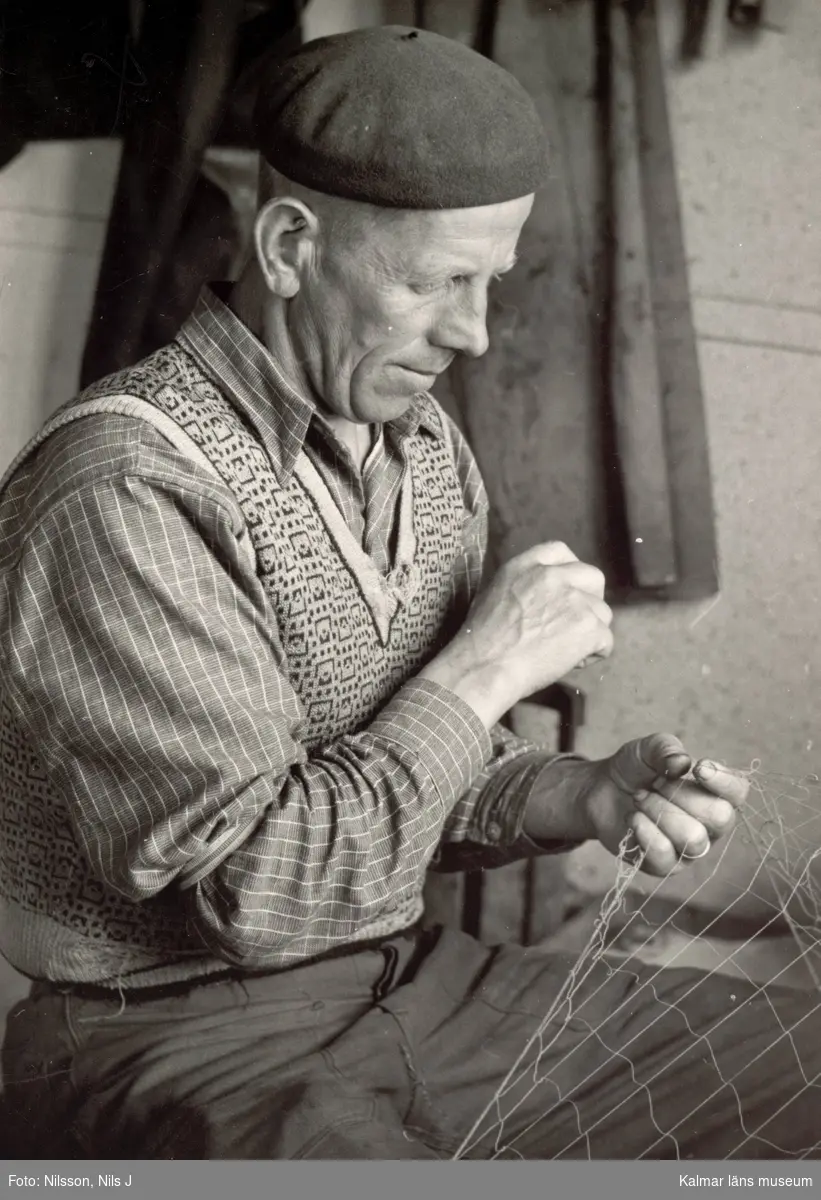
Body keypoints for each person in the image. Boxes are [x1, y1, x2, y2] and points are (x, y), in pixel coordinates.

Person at [0, 26, 817, 1161]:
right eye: (435, 282)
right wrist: (483, 664)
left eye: (491, 282)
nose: (473, 334)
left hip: (407, 987)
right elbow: (258, 889)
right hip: (166, 1035)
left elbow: (409, 761)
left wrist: (574, 796)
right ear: (288, 244)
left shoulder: (419, 446)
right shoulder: (126, 486)